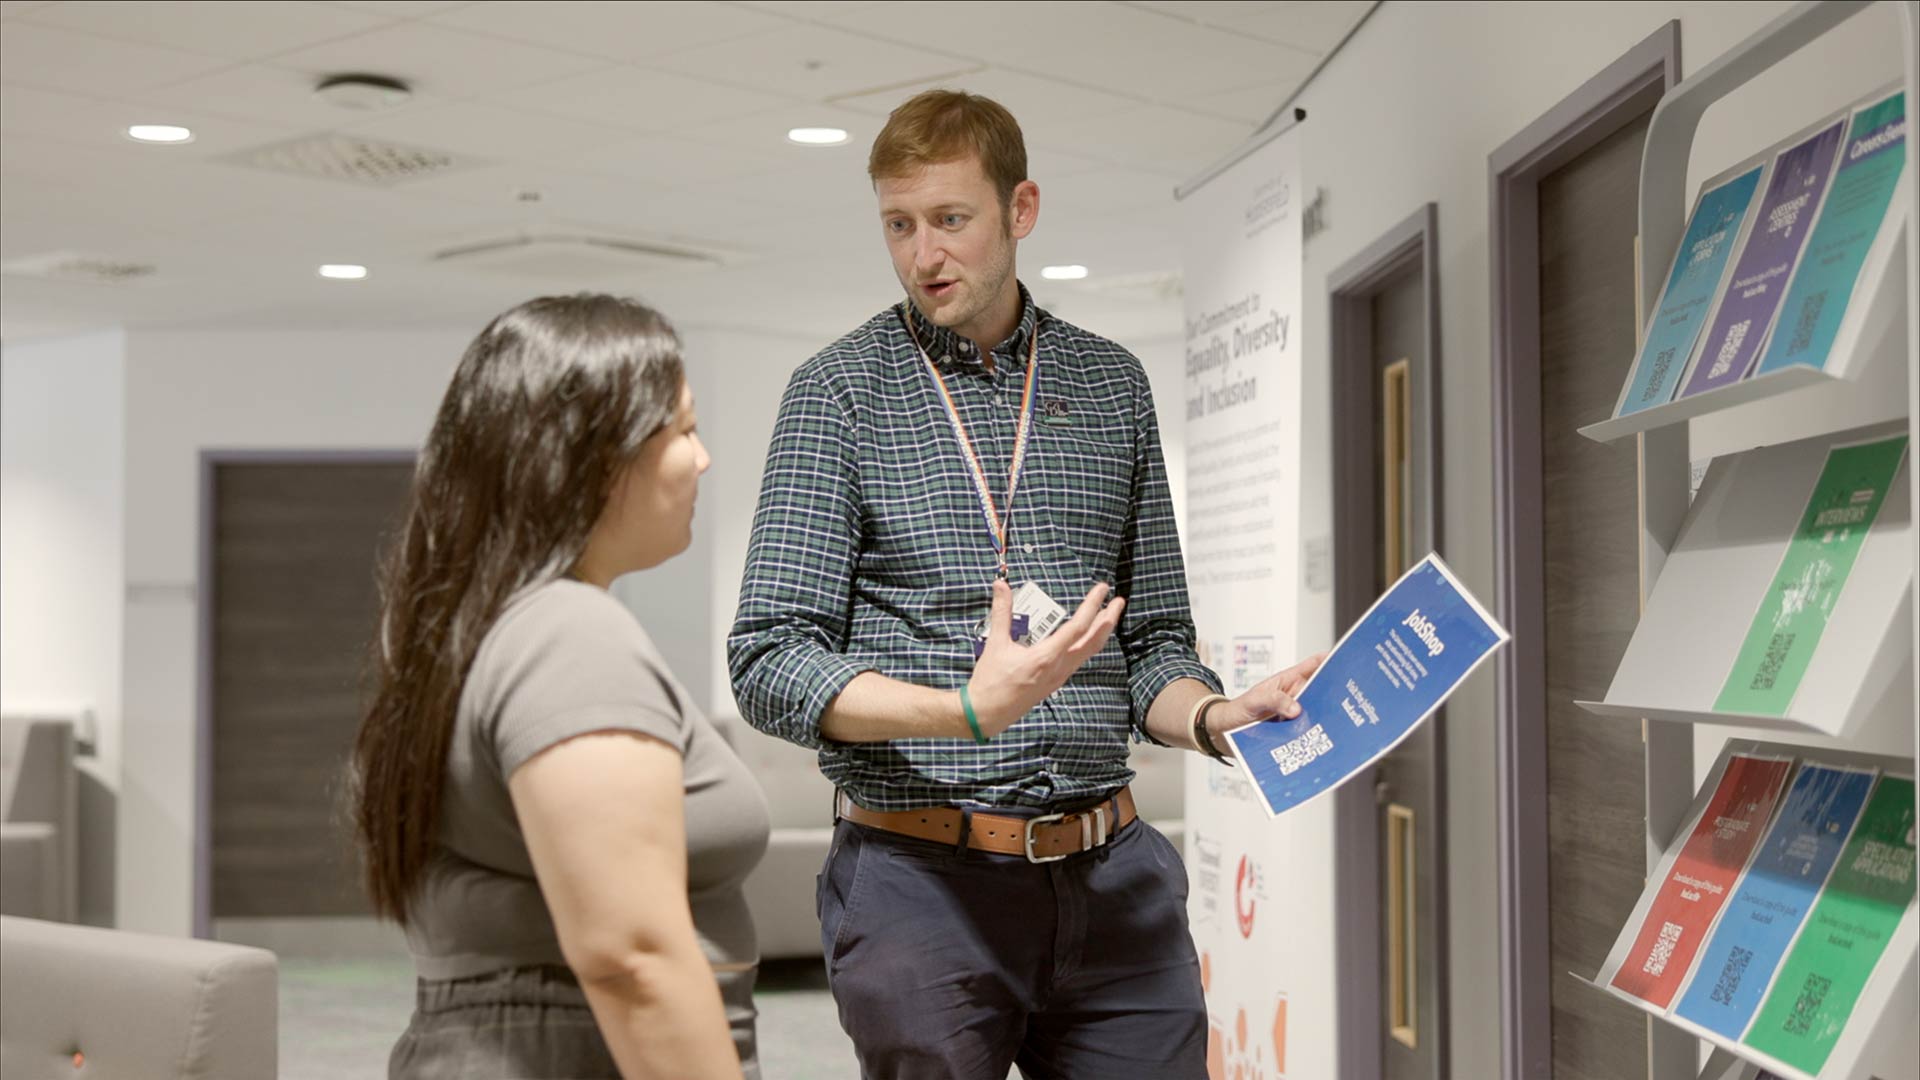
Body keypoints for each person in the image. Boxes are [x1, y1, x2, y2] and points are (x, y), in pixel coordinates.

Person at [727, 90, 1325, 1079]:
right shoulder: (836, 393)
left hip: (1114, 881)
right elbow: (769, 661)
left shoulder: (1110, 385)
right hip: (920, 883)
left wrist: (1220, 717)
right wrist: (964, 710)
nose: (925, 255)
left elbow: (1156, 648)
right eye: (899, 226)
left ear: (1022, 210)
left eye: (951, 220)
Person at [353, 294, 768, 1080]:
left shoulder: (494, 626)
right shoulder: (568, 634)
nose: (703, 458)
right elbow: (631, 955)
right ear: (596, 458)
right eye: (682, 431)